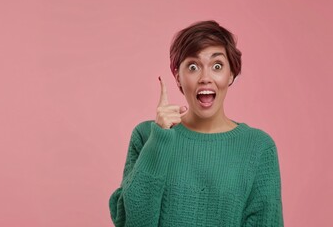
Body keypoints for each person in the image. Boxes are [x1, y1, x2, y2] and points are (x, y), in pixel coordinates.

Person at [109, 20, 283, 226]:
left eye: (217, 66)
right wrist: (159, 142)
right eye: (193, 66)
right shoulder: (147, 136)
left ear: (231, 74)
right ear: (178, 77)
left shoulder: (258, 147)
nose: (205, 78)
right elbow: (134, 222)